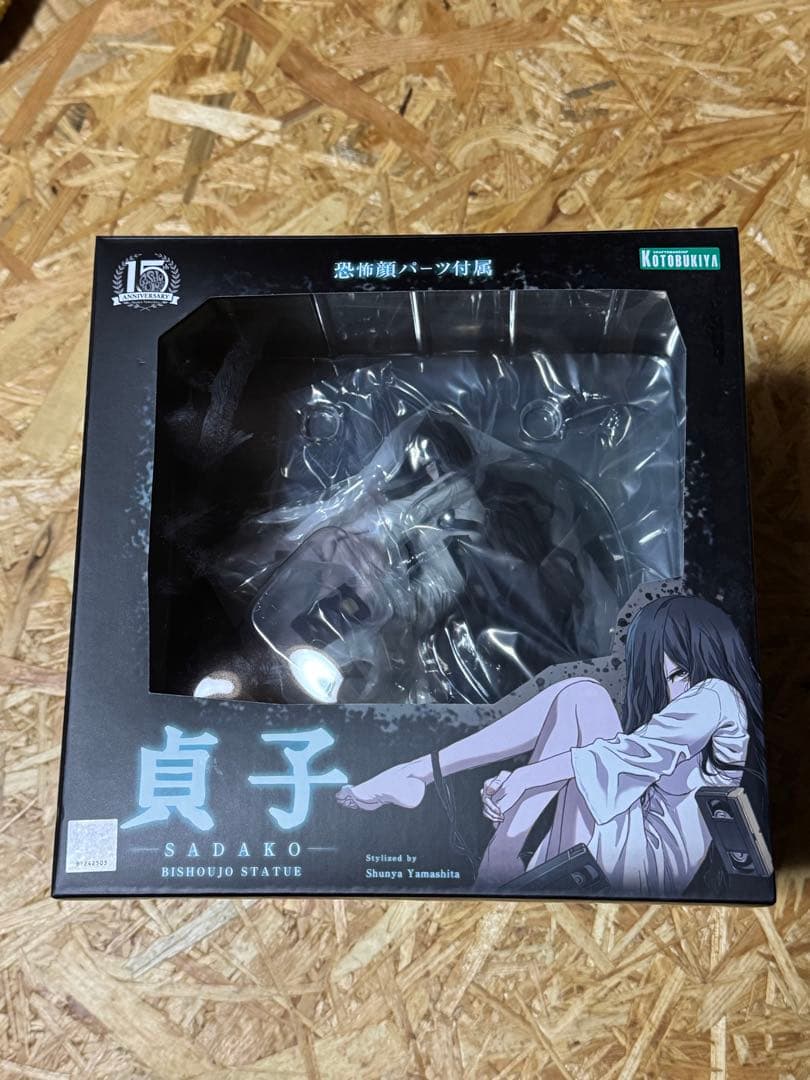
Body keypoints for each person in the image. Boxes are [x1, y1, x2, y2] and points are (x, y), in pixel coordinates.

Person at [336, 595, 765, 896]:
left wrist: (525, 778)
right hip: (612, 849)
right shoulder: (684, 714)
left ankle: (475, 830)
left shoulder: (718, 696)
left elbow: (626, 757)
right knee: (580, 697)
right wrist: (525, 780)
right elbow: (617, 766)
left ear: (709, 656)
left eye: (680, 673)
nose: (674, 691)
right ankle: (477, 830)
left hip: (644, 869)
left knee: (587, 700)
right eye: (664, 677)